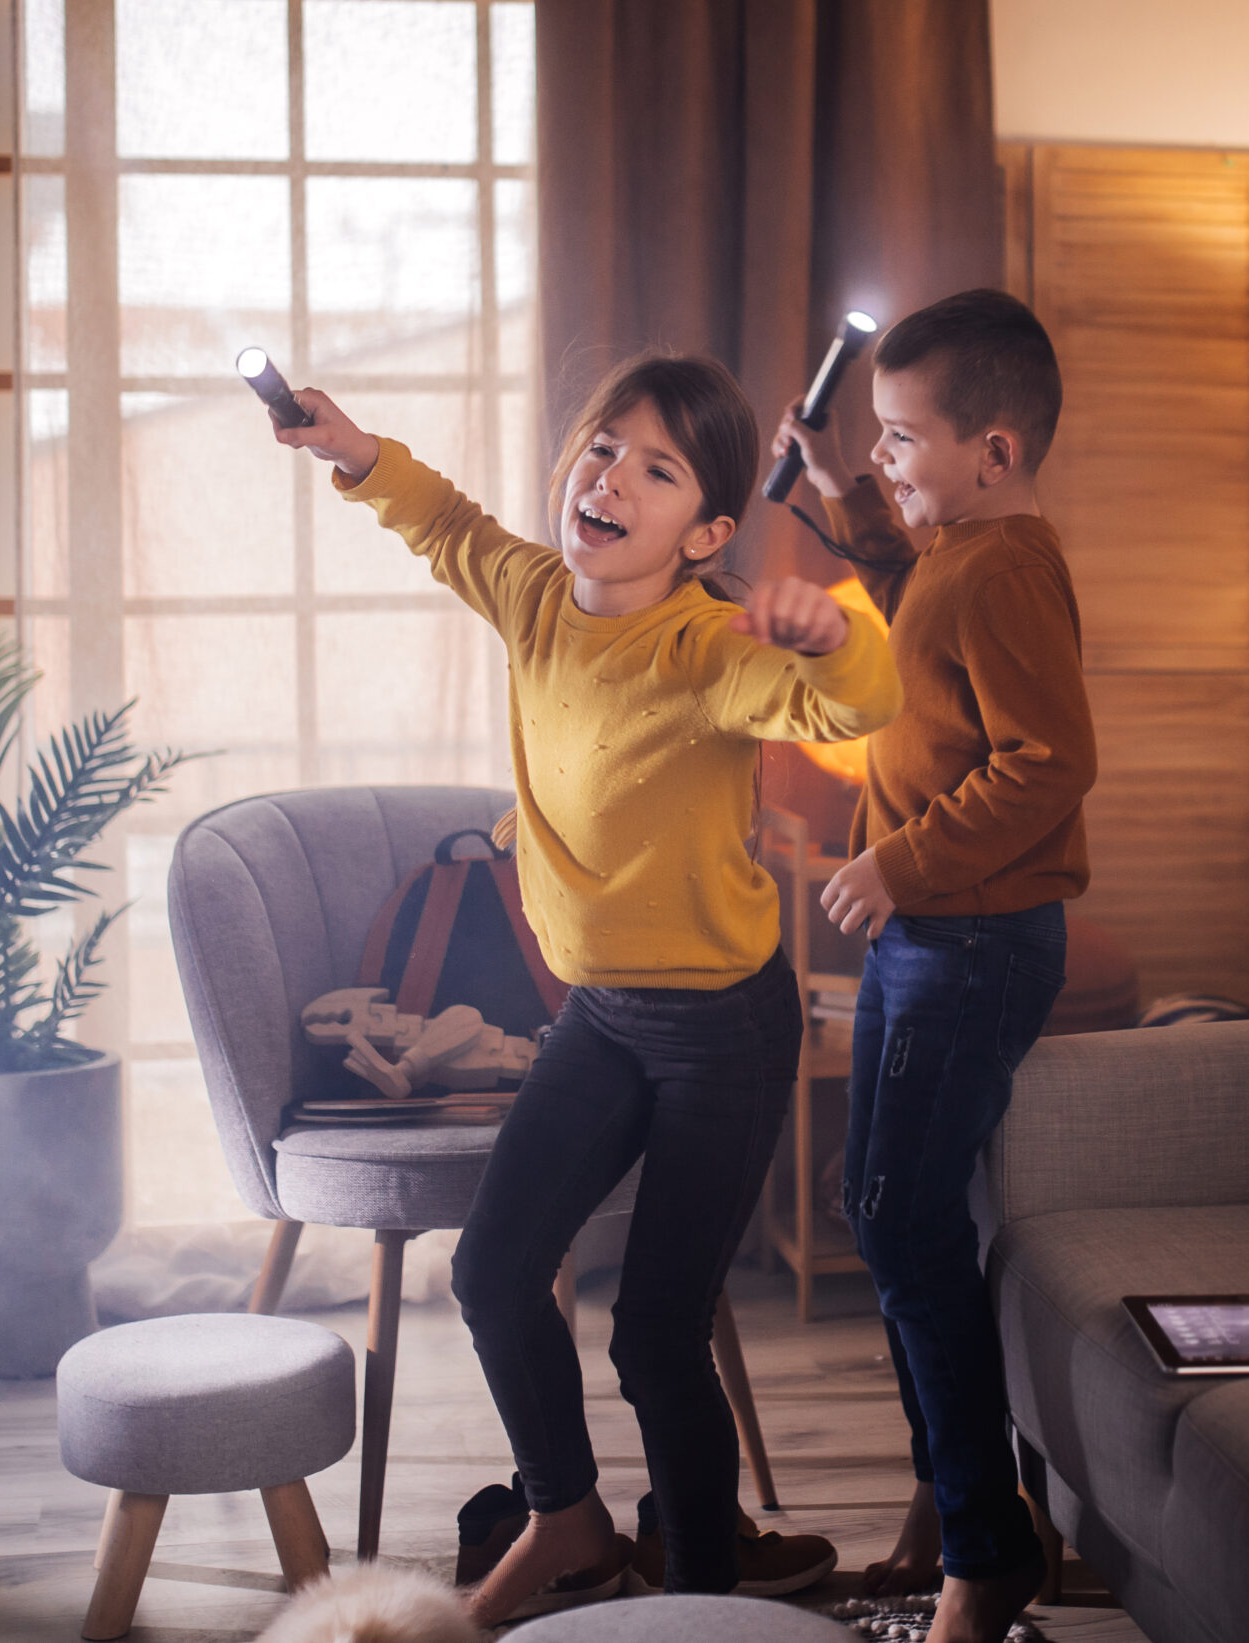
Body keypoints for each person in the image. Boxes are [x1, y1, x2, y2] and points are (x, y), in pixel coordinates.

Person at [274, 353, 899, 1626]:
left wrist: (841, 630)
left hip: (721, 1027)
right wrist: (352, 450)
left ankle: (708, 1599)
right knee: (494, 1273)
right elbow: (446, 524)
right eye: (604, 446)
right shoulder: (534, 597)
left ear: (709, 531)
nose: (611, 475)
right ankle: (564, 1514)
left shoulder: (708, 647)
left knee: (658, 1332)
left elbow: (851, 703)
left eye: (656, 468)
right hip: (602, 1015)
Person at [774, 287, 1096, 1643]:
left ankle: (986, 1541)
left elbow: (1051, 761)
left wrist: (898, 863)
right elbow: (916, 590)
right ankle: (945, 1502)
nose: (891, 460)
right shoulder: (962, 549)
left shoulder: (1009, 564)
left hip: (969, 937)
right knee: (890, 1206)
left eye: (903, 440)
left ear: (996, 451)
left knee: (901, 1219)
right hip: (931, 935)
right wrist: (846, 495)